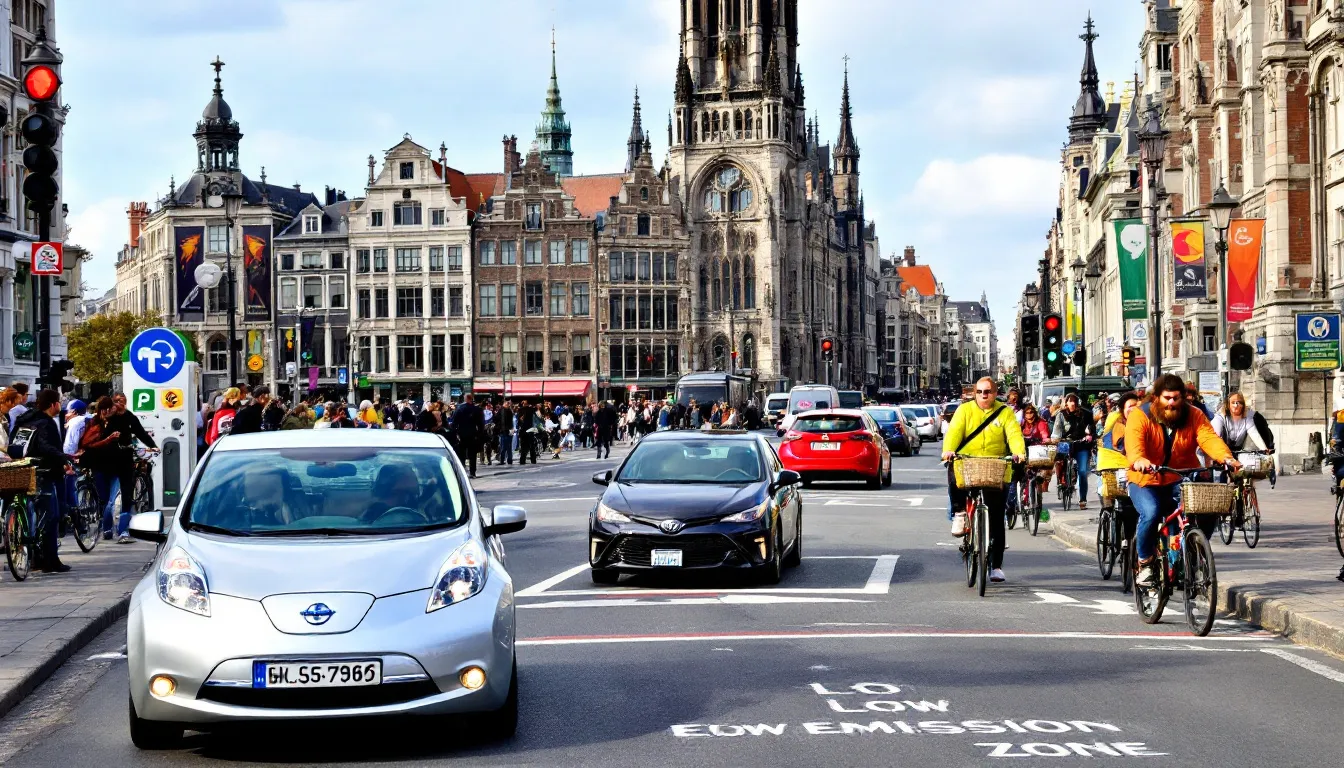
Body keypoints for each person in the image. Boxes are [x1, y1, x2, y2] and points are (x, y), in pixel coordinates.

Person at [1126, 374, 1239, 587]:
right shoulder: (1140, 416)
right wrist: (1139, 459)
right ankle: (1146, 562)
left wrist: (1225, 457)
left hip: (1180, 476)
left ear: (1183, 398)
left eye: (1176, 398)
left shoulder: (1194, 414)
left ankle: (1192, 553)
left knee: (1206, 509)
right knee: (1151, 512)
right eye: (1167, 398)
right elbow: (1134, 444)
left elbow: (1208, 438)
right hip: (1145, 478)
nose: (1171, 403)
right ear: (1156, 397)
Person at [941, 377, 1026, 583]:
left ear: (995, 393)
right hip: (967, 462)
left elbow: (1014, 434)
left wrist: (1019, 453)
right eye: (979, 392)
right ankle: (960, 511)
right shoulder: (964, 410)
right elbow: (954, 432)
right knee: (953, 470)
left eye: (987, 391)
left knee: (997, 518)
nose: (983, 395)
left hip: (996, 465)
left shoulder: (1005, 412)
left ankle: (996, 566)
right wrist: (949, 451)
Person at [106, 393, 159, 542]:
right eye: (116, 401)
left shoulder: (130, 417)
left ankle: (123, 531)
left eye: (122, 401)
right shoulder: (108, 418)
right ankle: (107, 529)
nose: (119, 404)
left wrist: (153, 446)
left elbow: (141, 433)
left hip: (125, 460)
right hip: (110, 460)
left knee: (126, 495)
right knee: (110, 497)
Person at [1051, 393, 1096, 509]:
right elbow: (1057, 430)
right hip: (1065, 443)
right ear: (1066, 403)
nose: (1073, 403)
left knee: (1082, 471)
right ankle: (1061, 480)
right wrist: (1056, 439)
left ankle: (1082, 499)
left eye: (1075, 401)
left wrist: (1089, 436)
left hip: (1081, 444)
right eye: (1070, 401)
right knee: (1059, 461)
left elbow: (1091, 429)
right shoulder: (1061, 415)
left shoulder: (1085, 414)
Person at [451, 394, 484, 478]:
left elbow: (454, 423)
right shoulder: (477, 409)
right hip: (473, 434)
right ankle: (472, 472)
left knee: (461, 453)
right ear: (471, 399)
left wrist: (455, 433)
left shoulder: (459, 409)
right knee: (472, 454)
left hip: (461, 434)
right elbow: (481, 423)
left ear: (465, 399)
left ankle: (462, 470)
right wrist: (479, 433)